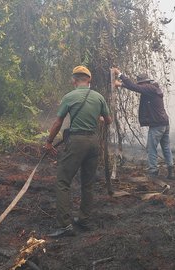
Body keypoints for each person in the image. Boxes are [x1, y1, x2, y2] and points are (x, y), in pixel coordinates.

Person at [45, 66, 112, 237]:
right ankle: (84, 220)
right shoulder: (99, 97)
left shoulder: (69, 97)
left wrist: (49, 142)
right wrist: (96, 117)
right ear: (89, 80)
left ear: (74, 80)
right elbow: (108, 120)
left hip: (76, 142)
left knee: (62, 181)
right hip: (94, 142)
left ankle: (65, 225)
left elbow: (58, 123)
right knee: (88, 183)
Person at [111, 68, 174, 180]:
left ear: (144, 83)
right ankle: (171, 170)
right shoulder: (153, 89)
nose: (140, 86)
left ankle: (153, 172)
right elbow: (136, 88)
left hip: (157, 125)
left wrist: (120, 74)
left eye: (140, 83)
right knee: (166, 147)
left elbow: (135, 87)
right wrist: (121, 85)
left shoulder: (149, 88)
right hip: (164, 123)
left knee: (151, 148)